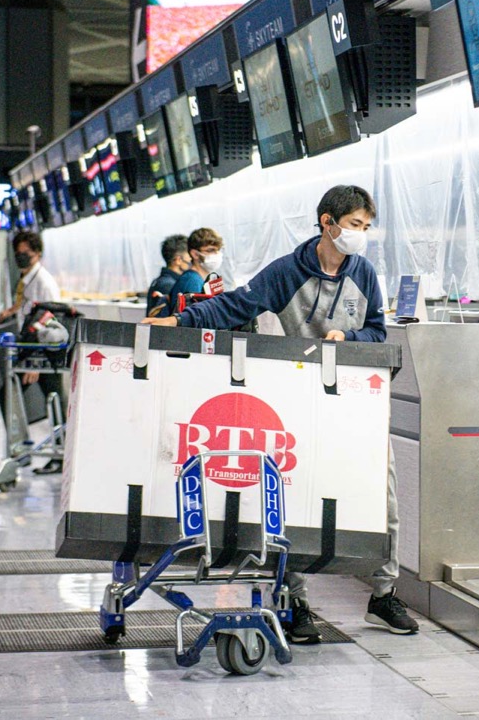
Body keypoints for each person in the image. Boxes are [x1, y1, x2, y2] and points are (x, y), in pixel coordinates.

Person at [143, 185, 417, 643]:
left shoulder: (364, 273)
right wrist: (178, 322)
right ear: (328, 223)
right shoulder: (287, 272)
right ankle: (294, 601)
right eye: (354, 226)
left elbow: (376, 330)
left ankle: (384, 593)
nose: (361, 235)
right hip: (298, 403)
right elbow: (235, 305)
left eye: (367, 227)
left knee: (382, 495)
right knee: (289, 498)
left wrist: (349, 342)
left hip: (354, 404)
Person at [0, 230, 65, 474]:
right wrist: (11, 311)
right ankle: (23, 449)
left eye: (25, 253)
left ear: (37, 253)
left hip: (44, 354)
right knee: (15, 397)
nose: (20, 257)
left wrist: (36, 362)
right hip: (30, 351)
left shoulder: (44, 282)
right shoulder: (27, 280)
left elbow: (50, 320)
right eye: (18, 253)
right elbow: (26, 310)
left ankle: (58, 455)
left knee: (54, 401)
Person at [162, 227, 224, 316]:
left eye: (218, 250)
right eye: (211, 250)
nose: (217, 255)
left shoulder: (198, 279)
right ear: (195, 254)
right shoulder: (192, 281)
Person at [145, 235, 190, 318]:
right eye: (190, 256)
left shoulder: (162, 281)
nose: (192, 261)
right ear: (178, 260)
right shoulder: (169, 285)